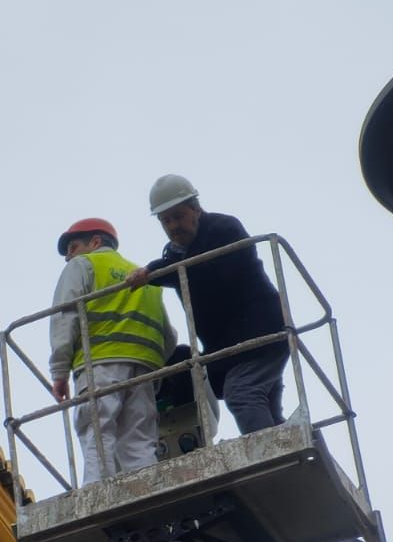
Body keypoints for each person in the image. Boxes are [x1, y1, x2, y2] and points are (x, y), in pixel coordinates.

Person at [126, 176, 289, 434]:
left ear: (196, 209)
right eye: (165, 221)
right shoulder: (176, 253)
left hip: (260, 335)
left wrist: (154, 270)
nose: (173, 226)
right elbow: (186, 268)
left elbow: (207, 273)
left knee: (242, 392)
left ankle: (269, 452)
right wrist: (155, 270)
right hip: (229, 347)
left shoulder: (222, 229)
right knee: (183, 368)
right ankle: (184, 434)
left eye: (178, 216)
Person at [48, 218, 176, 483]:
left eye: (72, 247)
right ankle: (146, 492)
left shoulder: (83, 265)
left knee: (97, 431)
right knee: (139, 441)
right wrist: (154, 365)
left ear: (95, 242)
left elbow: (65, 317)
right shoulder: (145, 276)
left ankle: (98, 497)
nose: (68, 257)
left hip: (100, 365)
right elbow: (169, 337)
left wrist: (59, 371)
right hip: (144, 369)